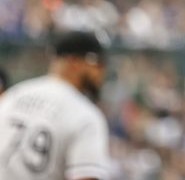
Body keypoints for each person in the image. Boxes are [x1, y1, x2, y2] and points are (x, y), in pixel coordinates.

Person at [0, 30, 111, 180]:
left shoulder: (14, 95)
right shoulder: (85, 115)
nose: (101, 72)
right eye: (98, 63)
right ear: (74, 61)